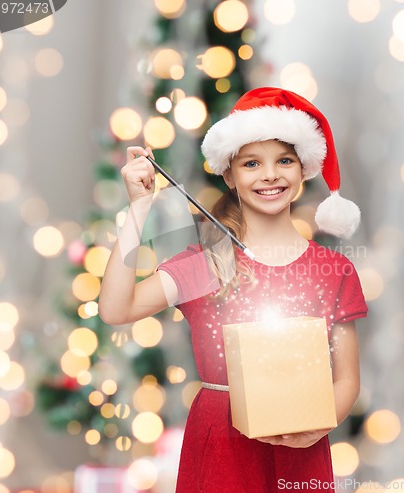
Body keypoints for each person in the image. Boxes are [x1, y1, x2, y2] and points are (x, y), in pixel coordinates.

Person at [99, 87, 368, 492]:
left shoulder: (334, 269)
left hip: (302, 450)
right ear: (229, 175)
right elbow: (116, 309)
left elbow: (346, 379)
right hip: (221, 451)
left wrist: (318, 427)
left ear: (303, 170)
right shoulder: (207, 263)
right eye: (252, 163)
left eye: (284, 161)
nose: (270, 175)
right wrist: (138, 208)